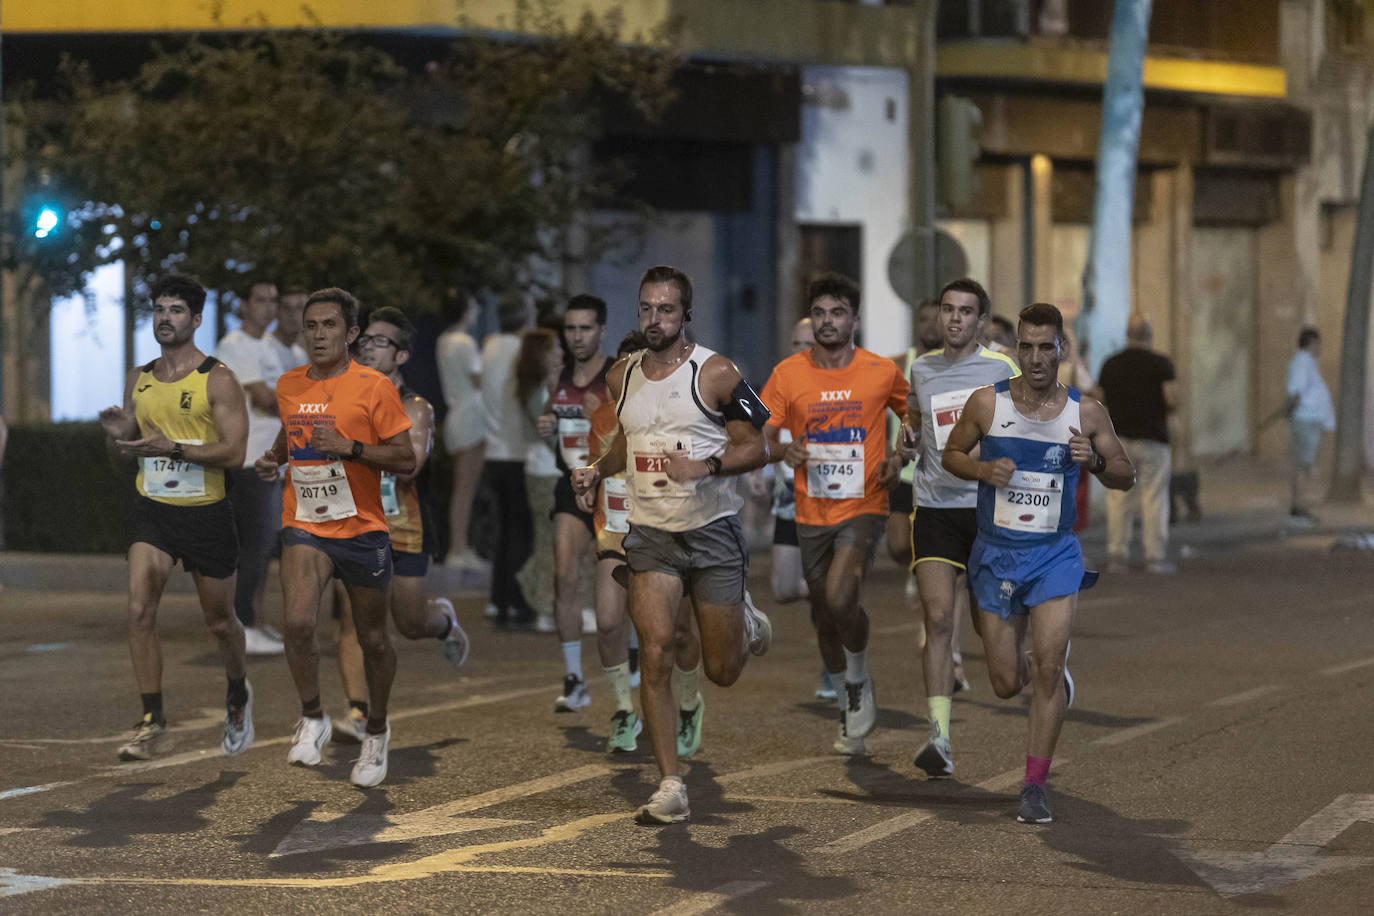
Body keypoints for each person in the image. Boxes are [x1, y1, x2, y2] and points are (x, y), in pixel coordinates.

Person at [571, 265, 773, 825]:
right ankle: (669, 783)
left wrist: (705, 465)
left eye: (665, 310)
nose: (654, 319)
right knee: (654, 653)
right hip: (651, 535)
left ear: (686, 314)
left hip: (712, 531)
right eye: (646, 309)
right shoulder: (621, 377)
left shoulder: (718, 374)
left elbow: (757, 447)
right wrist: (596, 469)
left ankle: (744, 618)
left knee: (723, 670)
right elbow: (627, 446)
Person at [942, 302, 1135, 824]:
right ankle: (1044, 673)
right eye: (1025, 346)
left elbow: (1125, 471)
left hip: (1054, 555)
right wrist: (983, 469)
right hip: (995, 556)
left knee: (1048, 668)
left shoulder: (1084, 412)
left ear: (1061, 350)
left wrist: (1093, 461)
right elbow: (950, 454)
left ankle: (1034, 786)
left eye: (1044, 347)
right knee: (1006, 682)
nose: (1034, 357)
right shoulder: (987, 404)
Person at [254, 287, 415, 788]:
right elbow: (290, 430)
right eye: (311, 326)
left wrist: (349, 446)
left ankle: (378, 730)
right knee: (299, 624)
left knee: (372, 639)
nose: (319, 334)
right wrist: (274, 458)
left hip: (362, 528)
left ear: (349, 334)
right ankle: (313, 716)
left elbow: (405, 457)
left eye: (329, 326)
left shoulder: (374, 387)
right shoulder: (289, 385)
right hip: (305, 522)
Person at [97, 274, 253, 761]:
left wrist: (177, 448)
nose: (165, 317)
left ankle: (238, 691)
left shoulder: (218, 378)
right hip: (154, 512)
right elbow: (123, 455)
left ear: (197, 319)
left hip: (207, 514)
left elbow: (235, 452)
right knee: (139, 610)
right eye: (159, 309)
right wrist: (120, 436)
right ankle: (152, 720)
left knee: (222, 622)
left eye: (176, 310)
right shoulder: (138, 377)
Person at [761, 272, 908, 756]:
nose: (828, 322)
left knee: (843, 595)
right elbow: (765, 430)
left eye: (837, 313)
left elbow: (916, 417)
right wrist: (784, 451)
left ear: (855, 320)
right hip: (811, 509)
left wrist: (901, 457)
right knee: (825, 614)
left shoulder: (880, 370)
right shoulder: (788, 374)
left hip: (865, 503)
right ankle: (848, 696)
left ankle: (860, 678)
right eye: (820, 313)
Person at [330, 307, 471, 742]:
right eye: (365, 340)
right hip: (353, 523)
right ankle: (359, 711)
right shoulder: (342, 399)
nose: (368, 347)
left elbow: (409, 466)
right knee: (353, 621)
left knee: (408, 623)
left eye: (380, 341)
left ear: (403, 356)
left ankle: (442, 622)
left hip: (404, 524)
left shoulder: (416, 407)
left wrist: (351, 446)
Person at [901, 278, 1019, 777]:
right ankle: (939, 737)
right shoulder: (922, 368)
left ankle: (1045, 662)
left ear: (982, 321)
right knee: (937, 620)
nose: (953, 319)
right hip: (933, 507)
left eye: (965, 312)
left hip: (988, 510)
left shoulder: (1001, 369)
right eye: (948, 309)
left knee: (999, 654)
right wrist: (908, 444)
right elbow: (914, 419)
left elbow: (1027, 426)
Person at [533, 295, 617, 710]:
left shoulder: (618, 374)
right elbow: (554, 425)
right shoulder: (557, 376)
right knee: (564, 577)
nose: (577, 337)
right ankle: (574, 678)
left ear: (602, 330)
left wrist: (602, 412)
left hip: (614, 489)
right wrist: (547, 425)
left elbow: (632, 434)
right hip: (571, 485)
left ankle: (633, 660)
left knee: (621, 589)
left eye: (585, 328)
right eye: (570, 329)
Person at [579, 330, 656, 752]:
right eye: (621, 368)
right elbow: (598, 466)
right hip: (613, 529)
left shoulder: (666, 412)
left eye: (637, 367)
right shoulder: (601, 418)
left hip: (659, 531)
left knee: (661, 631)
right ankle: (625, 709)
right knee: (609, 621)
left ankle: (681, 706)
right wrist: (587, 480)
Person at [215, 278, 290, 655]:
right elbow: (263, 398)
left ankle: (255, 622)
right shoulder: (235, 345)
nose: (269, 307)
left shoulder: (267, 345)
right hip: (248, 460)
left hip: (270, 460)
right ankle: (242, 625)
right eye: (260, 300)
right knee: (255, 546)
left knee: (263, 546)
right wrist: (309, 407)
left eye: (273, 300)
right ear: (243, 304)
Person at [884, 299, 943, 656]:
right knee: (897, 546)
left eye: (936, 319)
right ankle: (913, 570)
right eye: (924, 319)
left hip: (937, 474)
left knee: (928, 552)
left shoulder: (950, 367)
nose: (931, 326)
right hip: (903, 470)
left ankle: (931, 620)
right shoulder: (896, 365)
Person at [1097, 315, 1178, 573]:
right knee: (1153, 496)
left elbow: (1099, 399)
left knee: (1118, 497)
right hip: (1153, 439)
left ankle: (1117, 555)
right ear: (1149, 335)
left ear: (1128, 334)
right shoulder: (1161, 364)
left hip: (1117, 440)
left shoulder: (1110, 364)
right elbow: (1172, 399)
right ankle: (1154, 556)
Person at [479, 296, 538, 627]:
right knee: (521, 532)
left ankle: (499, 600)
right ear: (525, 316)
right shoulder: (521, 351)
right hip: (518, 451)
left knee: (504, 530)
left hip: (493, 451)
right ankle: (518, 601)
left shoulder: (489, 347)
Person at [516, 324, 566, 632]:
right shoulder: (540, 392)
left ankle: (543, 600)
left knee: (553, 541)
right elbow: (551, 437)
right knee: (550, 542)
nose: (561, 352)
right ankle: (543, 604)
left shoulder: (539, 388)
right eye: (555, 348)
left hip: (544, 468)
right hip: (546, 470)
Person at [437, 293, 487, 571]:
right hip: (470, 416)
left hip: (456, 414)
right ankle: (458, 548)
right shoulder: (465, 342)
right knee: (465, 489)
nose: (476, 308)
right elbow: (478, 379)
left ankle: (459, 547)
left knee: (461, 488)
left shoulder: (443, 340)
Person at [1285, 326, 1335, 526]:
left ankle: (1300, 505)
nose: (1320, 347)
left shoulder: (1306, 363)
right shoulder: (1303, 363)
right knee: (1306, 465)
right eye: (1318, 343)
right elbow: (1294, 392)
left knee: (1304, 464)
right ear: (1312, 343)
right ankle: (1300, 506)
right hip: (1306, 421)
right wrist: (1290, 411)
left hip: (1308, 420)